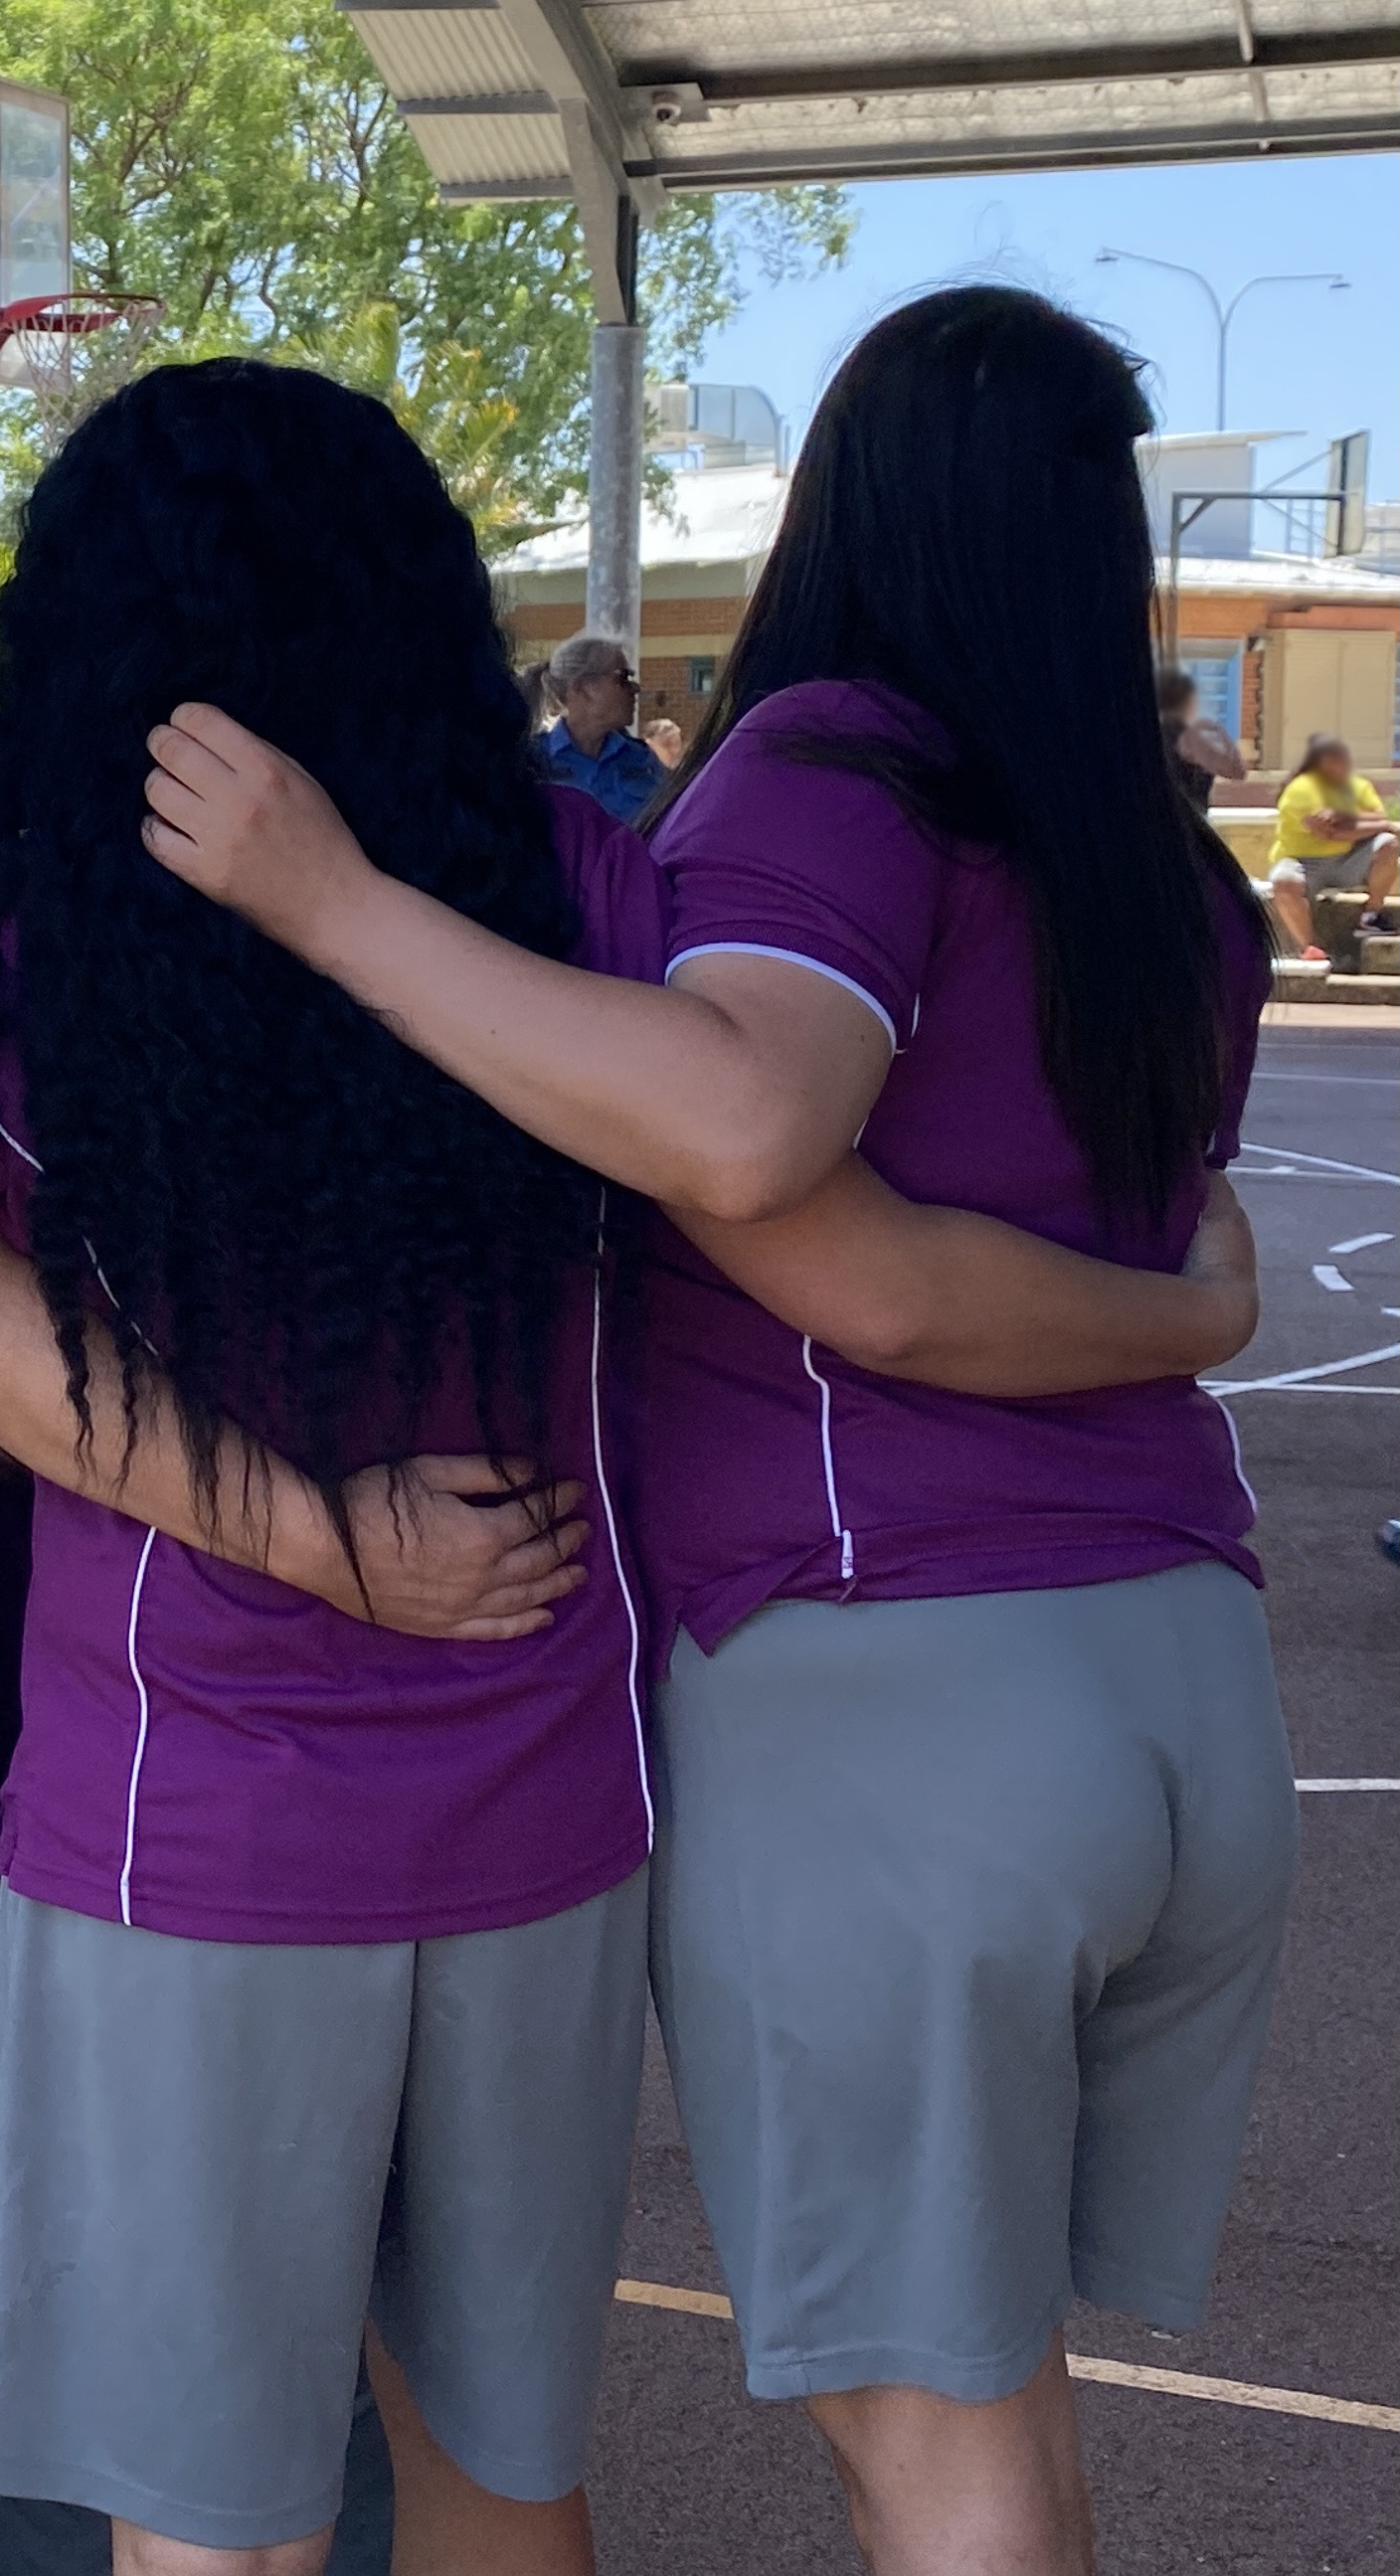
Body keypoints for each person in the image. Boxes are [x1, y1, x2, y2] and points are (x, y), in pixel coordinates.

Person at [132, 286, 1291, 2576]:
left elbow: (766, 1156)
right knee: (995, 2407)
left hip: (896, 1690)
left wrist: (328, 901)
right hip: (1175, 1675)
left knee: (925, 2441)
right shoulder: (1161, 871)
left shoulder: (832, 767)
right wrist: (1183, 1316)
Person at [1267, 731, 1395, 958]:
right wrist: (1372, 823)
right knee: (1283, 882)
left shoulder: (1358, 786)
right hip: (1302, 862)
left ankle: (1371, 916)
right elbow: (1331, 833)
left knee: (1389, 844)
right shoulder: (1300, 789)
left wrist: (1344, 815)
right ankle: (1309, 948)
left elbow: (1379, 817)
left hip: (1347, 861)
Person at [536, 631, 661, 822]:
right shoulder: (532, 761)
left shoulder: (643, 759)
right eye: (623, 678)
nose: (636, 688)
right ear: (581, 687)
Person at [1156, 665, 1244, 817]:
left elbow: (1237, 772)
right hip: (1187, 819)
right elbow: (1236, 771)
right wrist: (1221, 733)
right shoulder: (1189, 736)